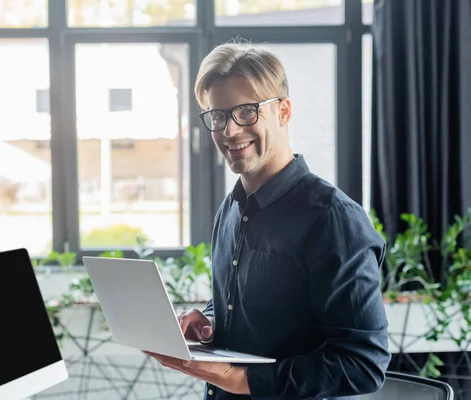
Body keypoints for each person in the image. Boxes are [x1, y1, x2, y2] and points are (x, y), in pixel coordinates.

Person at [144, 41, 391, 399]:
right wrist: (209, 322)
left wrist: (243, 380)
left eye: (246, 112)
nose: (228, 131)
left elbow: (363, 365)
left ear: (284, 112)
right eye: (217, 116)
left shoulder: (333, 221)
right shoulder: (230, 209)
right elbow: (241, 305)